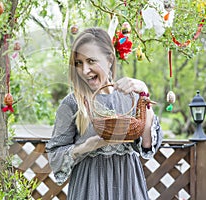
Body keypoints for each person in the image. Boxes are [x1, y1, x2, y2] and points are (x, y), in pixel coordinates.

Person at [45, 27, 163, 200]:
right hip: (89, 187)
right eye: (79, 63)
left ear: (109, 60)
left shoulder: (131, 97)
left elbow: (147, 143)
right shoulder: (72, 103)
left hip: (127, 186)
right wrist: (86, 147)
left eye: (91, 61)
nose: (85, 70)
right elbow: (55, 155)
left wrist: (144, 93)